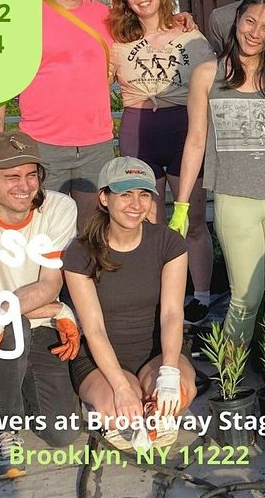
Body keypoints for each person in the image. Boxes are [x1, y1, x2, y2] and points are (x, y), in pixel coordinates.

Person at [174, 0, 265, 346]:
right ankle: (232, 370)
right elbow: (195, 141)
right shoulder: (207, 74)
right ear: (237, 20)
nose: (255, 33)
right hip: (234, 197)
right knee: (245, 296)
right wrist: (181, 205)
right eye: (250, 22)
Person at [0, 131, 82, 479]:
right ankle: (5, 433)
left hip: (34, 325)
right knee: (9, 326)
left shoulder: (59, 208)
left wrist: (56, 308)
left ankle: (12, 383)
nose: (25, 186)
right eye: (11, 177)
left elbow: (50, 285)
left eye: (31, 174)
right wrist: (58, 310)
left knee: (63, 433)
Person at [107, 0, 218, 324]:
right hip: (138, 129)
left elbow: (216, 81)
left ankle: (200, 294)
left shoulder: (190, 35)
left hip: (184, 128)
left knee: (194, 217)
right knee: (149, 222)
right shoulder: (117, 42)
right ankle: (159, 295)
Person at [63, 156, 198, 451]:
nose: (136, 204)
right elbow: (94, 329)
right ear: (104, 198)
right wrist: (122, 388)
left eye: (144, 194)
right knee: (118, 410)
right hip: (103, 357)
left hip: (156, 351)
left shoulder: (169, 242)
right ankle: (118, 406)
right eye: (125, 194)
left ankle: (150, 408)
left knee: (179, 393)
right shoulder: (80, 252)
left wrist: (169, 371)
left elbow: (172, 313)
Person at [0, 0, 114, 227]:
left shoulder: (106, 16)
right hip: (41, 145)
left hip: (96, 145)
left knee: (93, 231)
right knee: (41, 229)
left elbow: (147, 33)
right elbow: (0, 80)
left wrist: (181, 21)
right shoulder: (26, 15)